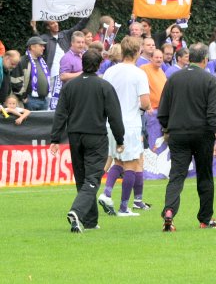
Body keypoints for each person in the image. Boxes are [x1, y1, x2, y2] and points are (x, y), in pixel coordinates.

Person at [49, 50, 125, 233]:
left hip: (75, 136)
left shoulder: (70, 86)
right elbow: (114, 116)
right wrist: (120, 139)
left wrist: (55, 138)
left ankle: (90, 221)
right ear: (99, 65)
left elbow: (60, 113)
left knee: (82, 177)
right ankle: (77, 211)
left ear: (82, 63)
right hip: (96, 137)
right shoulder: (104, 86)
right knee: (92, 177)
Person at [158, 43, 216, 231]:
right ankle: (205, 218)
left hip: (178, 133)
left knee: (176, 175)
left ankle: (169, 211)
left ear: (189, 58)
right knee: (204, 176)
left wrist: (167, 130)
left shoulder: (173, 79)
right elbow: (214, 114)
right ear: (205, 60)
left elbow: (163, 112)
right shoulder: (210, 80)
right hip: (203, 134)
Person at [99, 36, 151, 216]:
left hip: (111, 123)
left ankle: (106, 194)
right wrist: (147, 106)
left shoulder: (110, 72)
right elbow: (145, 102)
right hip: (130, 123)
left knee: (118, 160)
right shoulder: (139, 73)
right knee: (131, 163)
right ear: (138, 52)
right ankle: (123, 207)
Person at [11, 37, 51, 111]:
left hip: (44, 100)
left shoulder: (42, 61)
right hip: (30, 100)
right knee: (31, 123)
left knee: (43, 122)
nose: (43, 48)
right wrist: (24, 97)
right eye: (41, 45)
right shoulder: (22, 61)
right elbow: (15, 82)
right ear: (32, 47)